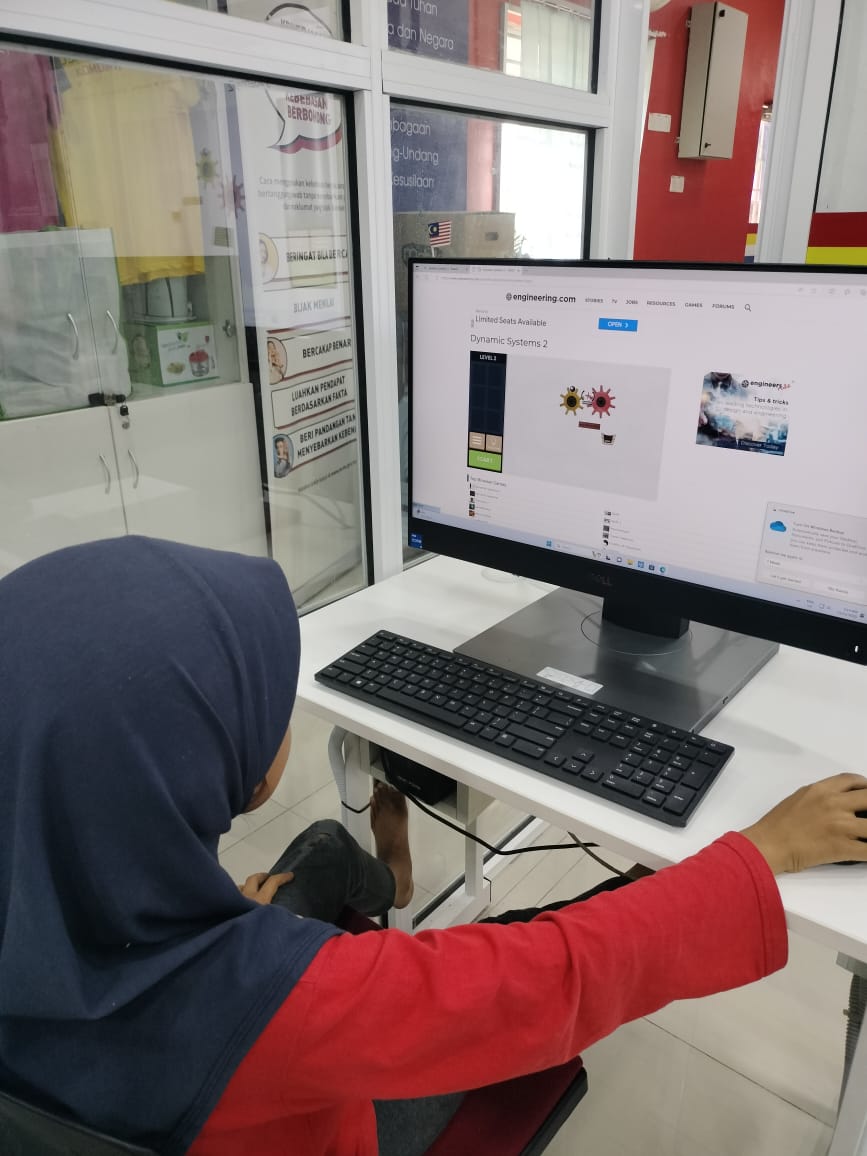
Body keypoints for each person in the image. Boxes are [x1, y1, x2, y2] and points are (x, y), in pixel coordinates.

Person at [1, 537, 866, 1156]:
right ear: (200, 770)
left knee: (322, 851)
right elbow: (557, 977)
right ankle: (614, 884)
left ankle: (394, 878)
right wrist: (760, 854)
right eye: (262, 699)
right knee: (516, 947)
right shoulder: (287, 1007)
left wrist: (218, 923)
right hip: (339, 1111)